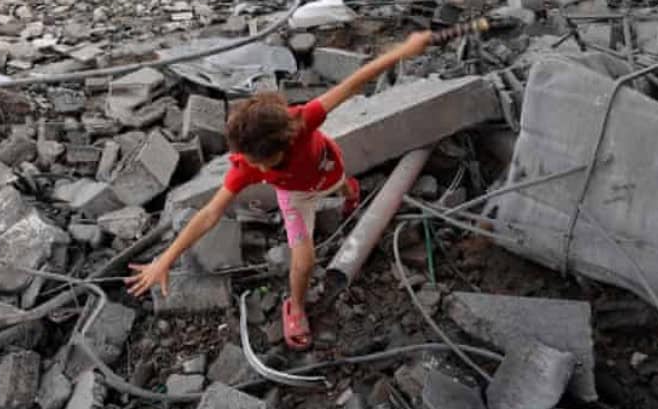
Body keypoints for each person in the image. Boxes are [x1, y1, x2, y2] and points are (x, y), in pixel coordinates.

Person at [126, 31, 436, 349]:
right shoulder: (245, 165)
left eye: (264, 162)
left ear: (286, 140)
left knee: (343, 185)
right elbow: (209, 214)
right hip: (296, 196)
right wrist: (165, 259)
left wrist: (405, 48)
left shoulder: (302, 121)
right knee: (304, 260)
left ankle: (348, 193)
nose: (257, 170)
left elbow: (356, 80)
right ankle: (297, 307)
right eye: (250, 161)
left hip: (329, 167)